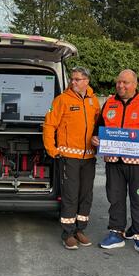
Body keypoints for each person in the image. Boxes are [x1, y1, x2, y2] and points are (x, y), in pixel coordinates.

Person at [92, 69, 139, 256]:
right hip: (113, 161)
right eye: (118, 82)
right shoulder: (109, 103)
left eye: (125, 82)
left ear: (135, 84)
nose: (121, 86)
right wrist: (95, 138)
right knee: (115, 197)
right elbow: (98, 127)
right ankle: (116, 233)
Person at [43, 66, 101, 250]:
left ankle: (80, 230)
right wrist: (52, 149)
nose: (73, 82)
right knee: (70, 195)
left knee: (86, 195)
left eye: (78, 79)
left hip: (89, 157)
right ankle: (67, 233)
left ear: (87, 81)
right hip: (68, 157)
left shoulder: (94, 102)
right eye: (72, 79)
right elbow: (49, 125)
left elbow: (100, 126)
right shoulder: (61, 100)